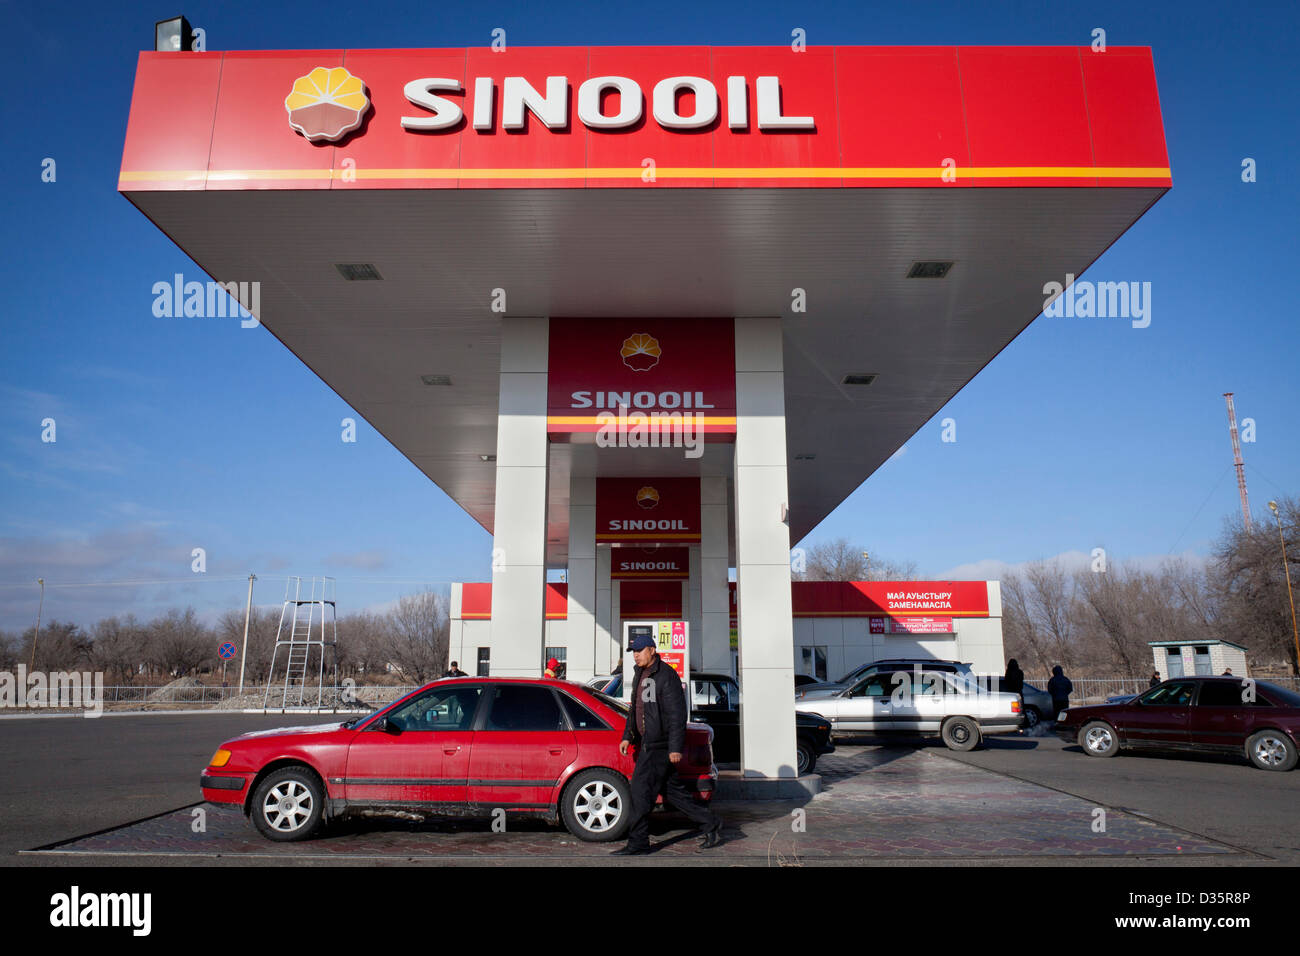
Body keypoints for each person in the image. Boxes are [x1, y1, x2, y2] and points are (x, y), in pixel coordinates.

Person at [612, 634, 722, 855]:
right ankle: (711, 823)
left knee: (640, 793)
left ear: (652, 650)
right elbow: (636, 710)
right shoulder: (640, 674)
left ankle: (638, 843)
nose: (635, 655)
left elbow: (676, 715)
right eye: (633, 651)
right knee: (675, 794)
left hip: (658, 746)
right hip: (647, 742)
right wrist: (628, 735)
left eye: (640, 650)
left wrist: (674, 748)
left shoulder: (666, 676)